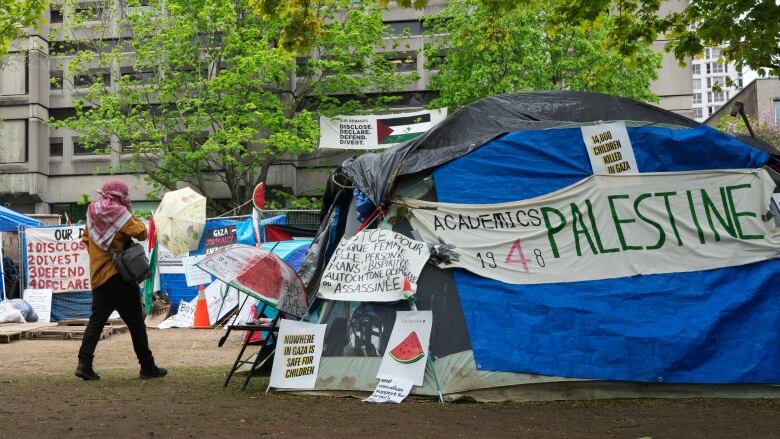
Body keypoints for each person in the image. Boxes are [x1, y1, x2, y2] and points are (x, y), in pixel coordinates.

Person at [75, 179, 167, 381]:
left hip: (99, 277)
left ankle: (84, 363)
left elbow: (86, 240)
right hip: (119, 276)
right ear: (121, 195)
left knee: (96, 321)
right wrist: (127, 217)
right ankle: (147, 366)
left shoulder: (92, 212)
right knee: (135, 323)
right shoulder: (119, 213)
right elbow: (142, 233)